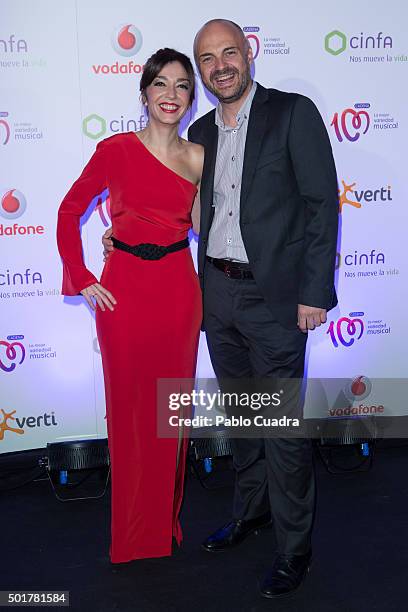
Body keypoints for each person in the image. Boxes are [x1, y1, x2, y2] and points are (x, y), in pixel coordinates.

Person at [104, 19, 338, 597]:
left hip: (277, 297)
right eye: (206, 60)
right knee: (243, 416)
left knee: (280, 426)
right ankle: (252, 512)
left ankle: (294, 549)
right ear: (200, 72)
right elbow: (173, 207)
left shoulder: (292, 112)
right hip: (216, 293)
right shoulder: (201, 132)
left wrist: (315, 292)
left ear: (248, 54)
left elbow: (320, 206)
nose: (219, 66)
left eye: (228, 53)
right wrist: (121, 236)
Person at [57, 48, 204, 564]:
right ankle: (133, 534)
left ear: (191, 97)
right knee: (128, 412)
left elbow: (214, 229)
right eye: (161, 84)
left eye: (181, 85)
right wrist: (81, 276)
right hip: (123, 292)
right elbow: (69, 209)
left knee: (171, 413)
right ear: (143, 93)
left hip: (178, 292)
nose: (170, 94)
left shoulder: (199, 157)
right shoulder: (115, 149)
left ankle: (163, 524)